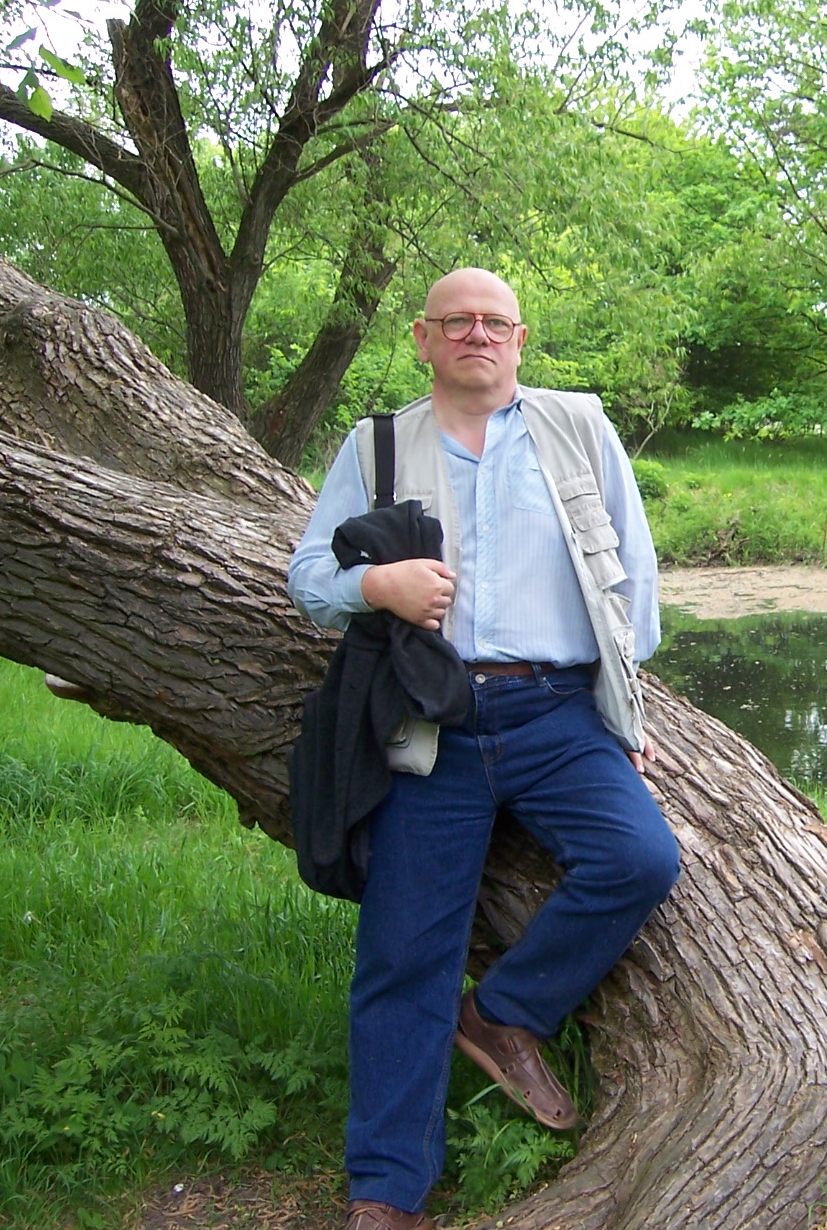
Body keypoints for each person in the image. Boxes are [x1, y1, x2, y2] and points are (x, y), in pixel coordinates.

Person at [287, 268, 680, 1230]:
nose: (476, 334)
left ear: (520, 338)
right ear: (423, 338)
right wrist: (376, 588)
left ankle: (503, 1016)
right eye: (456, 321)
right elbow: (306, 576)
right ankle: (387, 1193)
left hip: (557, 714)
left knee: (639, 857)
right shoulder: (378, 446)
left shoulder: (579, 428)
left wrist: (626, 714)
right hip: (431, 722)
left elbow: (633, 583)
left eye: (494, 322)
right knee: (403, 954)